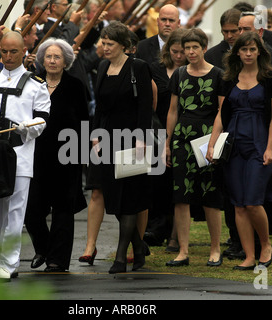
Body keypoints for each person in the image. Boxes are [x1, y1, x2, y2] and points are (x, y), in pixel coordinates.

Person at [0, 31, 51, 280]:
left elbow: (43, 119)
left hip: (20, 154)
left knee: (16, 211)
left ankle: (9, 262)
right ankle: (1, 257)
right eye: (4, 51)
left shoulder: (36, 85)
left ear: (24, 52)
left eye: (13, 52)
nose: (8, 56)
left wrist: (29, 126)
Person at [207, 31, 272, 270]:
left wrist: (270, 148)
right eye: (244, 49)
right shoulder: (228, 78)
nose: (248, 54)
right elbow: (222, 113)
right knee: (238, 202)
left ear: (259, 51)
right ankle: (249, 255)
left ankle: (265, 244)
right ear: (236, 52)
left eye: (252, 49)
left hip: (260, 143)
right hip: (234, 144)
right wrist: (212, 143)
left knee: (252, 201)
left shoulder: (271, 77)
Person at [93, 21, 153, 273]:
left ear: (124, 46)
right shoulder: (103, 66)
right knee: (113, 198)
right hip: (107, 138)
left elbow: (145, 105)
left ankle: (120, 257)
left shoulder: (138, 67)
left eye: (110, 44)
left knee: (128, 198)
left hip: (131, 139)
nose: (105, 47)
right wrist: (95, 136)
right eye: (103, 43)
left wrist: (141, 138)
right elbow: (99, 105)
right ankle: (138, 247)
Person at [24, 38, 89, 272]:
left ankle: (57, 261)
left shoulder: (75, 85)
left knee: (63, 211)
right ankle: (43, 247)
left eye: (57, 57)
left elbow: (84, 121)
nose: (51, 61)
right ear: (42, 60)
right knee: (31, 209)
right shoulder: (32, 83)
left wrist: (81, 155)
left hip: (66, 155)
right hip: (36, 154)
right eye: (48, 57)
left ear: (65, 62)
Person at [165, 28, 224, 267]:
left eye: (194, 47)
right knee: (181, 196)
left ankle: (215, 249)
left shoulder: (218, 74)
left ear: (204, 48)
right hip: (182, 137)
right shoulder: (179, 74)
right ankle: (183, 251)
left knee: (211, 194)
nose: (190, 52)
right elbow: (172, 110)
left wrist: (213, 142)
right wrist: (167, 143)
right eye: (186, 48)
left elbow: (222, 111)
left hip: (208, 137)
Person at [149, 28, 189, 252]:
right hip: (157, 131)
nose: (179, 56)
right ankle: (158, 228)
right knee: (159, 184)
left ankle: (175, 236)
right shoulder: (155, 69)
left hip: (183, 131)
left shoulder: (190, 72)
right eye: (174, 51)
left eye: (182, 52)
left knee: (179, 186)